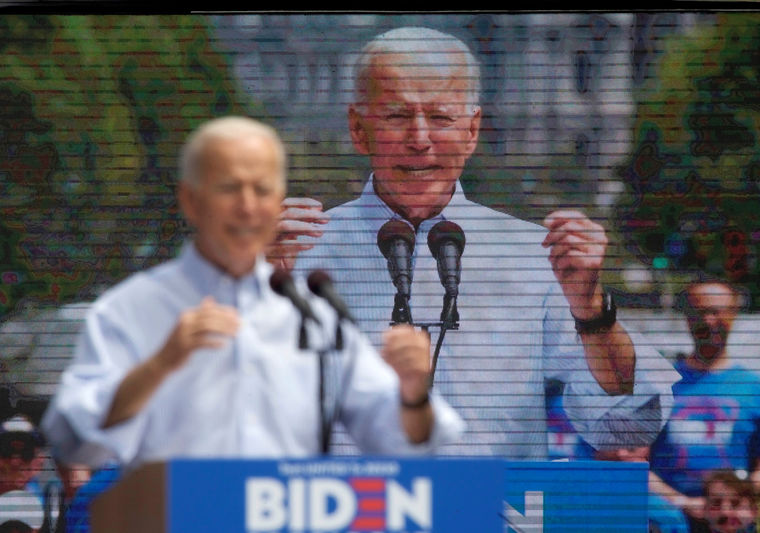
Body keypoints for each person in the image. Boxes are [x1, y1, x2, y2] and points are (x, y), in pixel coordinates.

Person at [284, 26, 680, 459]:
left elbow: (625, 427)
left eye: (441, 118)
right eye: (397, 117)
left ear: (472, 131)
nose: (420, 140)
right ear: (358, 129)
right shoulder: (297, 251)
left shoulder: (535, 255)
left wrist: (592, 312)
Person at [40, 116, 464, 471]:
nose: (247, 206)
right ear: (191, 200)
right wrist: (161, 365)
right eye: (229, 188)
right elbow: (76, 441)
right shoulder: (134, 308)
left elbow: (407, 444)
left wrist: (412, 394)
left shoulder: (312, 314)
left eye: (261, 190)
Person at [647, 280, 760, 527]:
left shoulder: (757, 389)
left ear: (733, 315)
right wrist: (681, 502)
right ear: (687, 317)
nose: (709, 320)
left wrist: (734, 496)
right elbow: (634, 461)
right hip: (669, 521)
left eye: (718, 312)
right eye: (700, 312)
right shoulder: (658, 385)